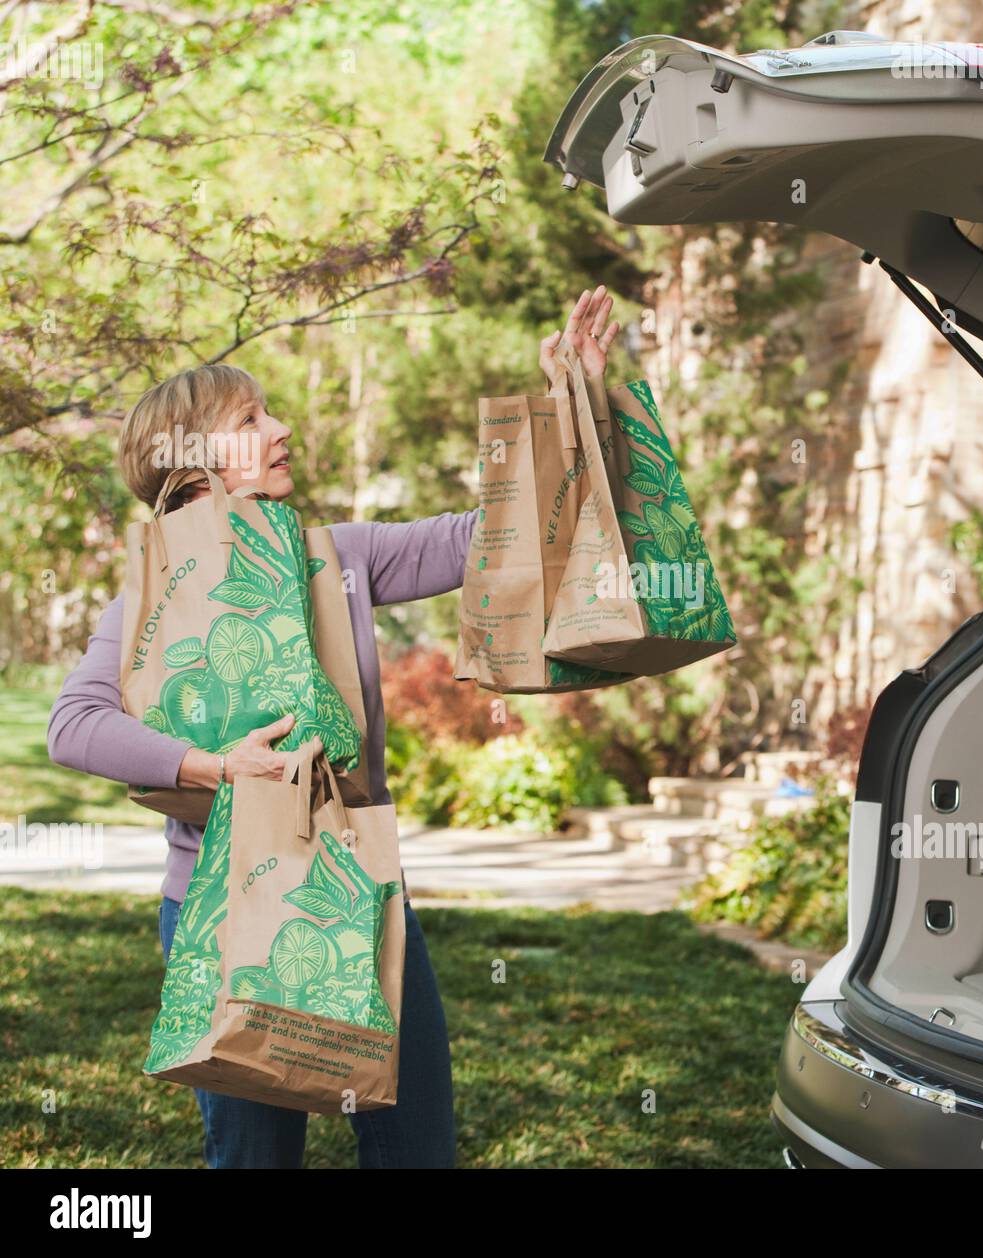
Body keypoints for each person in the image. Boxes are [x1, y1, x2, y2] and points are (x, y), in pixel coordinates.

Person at [46, 287, 620, 1168]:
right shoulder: (151, 597)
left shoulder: (341, 559)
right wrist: (214, 767)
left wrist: (571, 401)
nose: (282, 430)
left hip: (358, 892)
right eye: (253, 418)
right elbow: (74, 724)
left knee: (414, 1149)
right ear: (194, 458)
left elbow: (492, 535)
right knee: (253, 1161)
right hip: (216, 907)